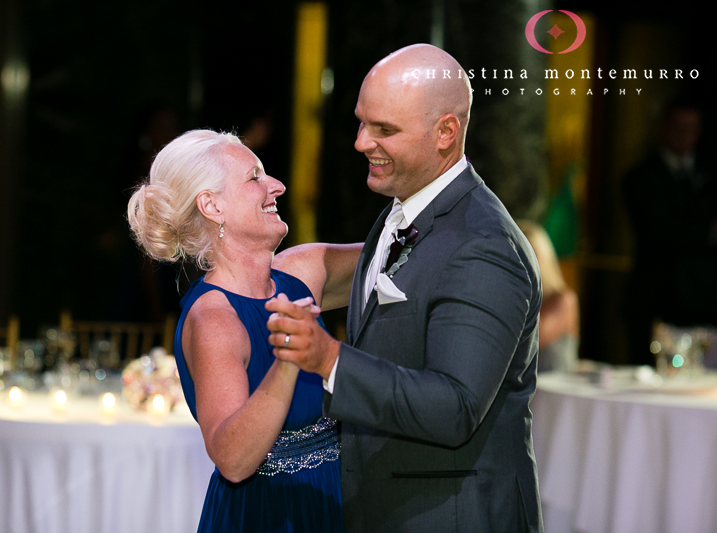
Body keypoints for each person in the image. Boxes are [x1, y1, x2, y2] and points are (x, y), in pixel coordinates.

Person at [266, 44, 544, 532]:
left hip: (451, 516)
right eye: (361, 122)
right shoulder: (406, 208)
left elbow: (455, 407)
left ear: (445, 133)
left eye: (384, 130)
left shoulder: (485, 246)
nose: (360, 142)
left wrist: (330, 360)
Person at [127, 129, 361, 532]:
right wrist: (289, 360)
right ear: (212, 205)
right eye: (255, 177)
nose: (277, 186)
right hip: (268, 515)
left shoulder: (304, 271)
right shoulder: (214, 320)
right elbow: (233, 461)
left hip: (334, 502)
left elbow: (399, 256)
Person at [623, 99, 717, 366]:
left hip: (705, 304)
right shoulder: (641, 177)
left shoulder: (709, 173)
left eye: (692, 128)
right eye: (678, 127)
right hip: (658, 300)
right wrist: (706, 232)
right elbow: (658, 231)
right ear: (664, 129)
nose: (685, 135)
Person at [517, 220, 579, 372]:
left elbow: (529, 339)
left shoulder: (564, 299)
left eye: (530, 253)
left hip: (554, 392)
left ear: (544, 256)